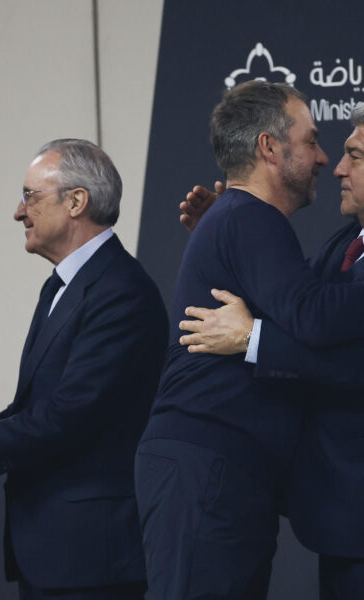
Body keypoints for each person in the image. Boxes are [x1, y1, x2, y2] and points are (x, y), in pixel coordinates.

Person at [134, 80, 364, 600]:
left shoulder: (240, 220)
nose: (328, 160)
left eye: (349, 152)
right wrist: (231, 237)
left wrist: (227, 244)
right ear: (269, 147)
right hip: (209, 466)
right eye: (311, 141)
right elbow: (309, 312)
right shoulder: (250, 217)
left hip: (221, 469)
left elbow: (293, 308)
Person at [0, 138, 169, 600]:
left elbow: (67, 415)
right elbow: (33, 406)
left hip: (92, 561)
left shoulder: (122, 293)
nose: (19, 211)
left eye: (30, 195)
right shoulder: (61, 287)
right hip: (54, 550)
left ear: (76, 202)